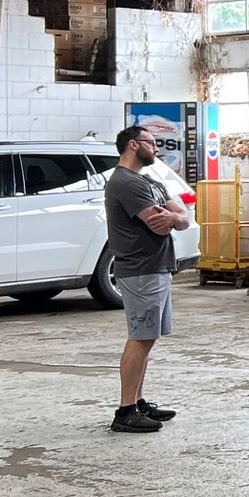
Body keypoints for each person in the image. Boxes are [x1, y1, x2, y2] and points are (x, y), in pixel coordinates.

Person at [103, 124, 189, 434]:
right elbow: (157, 223)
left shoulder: (149, 180)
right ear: (133, 145)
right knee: (140, 337)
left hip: (156, 267)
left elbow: (182, 217)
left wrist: (175, 217)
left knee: (148, 337)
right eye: (151, 143)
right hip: (141, 270)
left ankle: (137, 402)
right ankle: (125, 411)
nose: (156, 148)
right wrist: (173, 218)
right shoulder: (125, 183)